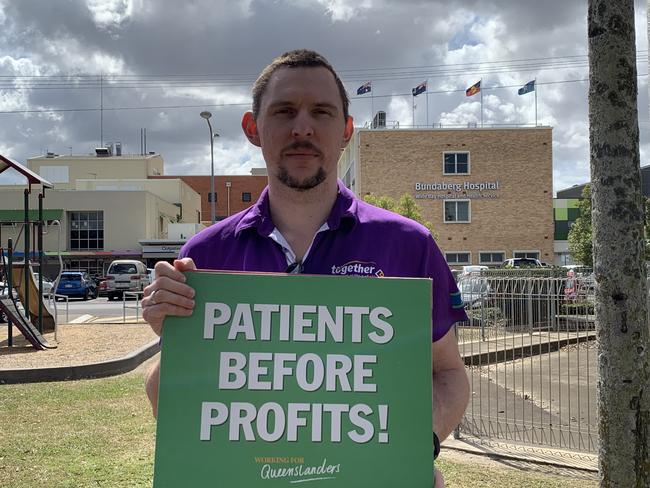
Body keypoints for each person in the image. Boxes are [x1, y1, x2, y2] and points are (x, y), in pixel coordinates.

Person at [143, 49, 469, 487]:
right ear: (253, 128)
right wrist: (178, 335)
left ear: (347, 130)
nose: (303, 127)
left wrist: (412, 447)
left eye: (321, 111)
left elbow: (447, 373)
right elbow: (164, 394)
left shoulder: (409, 244)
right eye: (284, 111)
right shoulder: (205, 255)